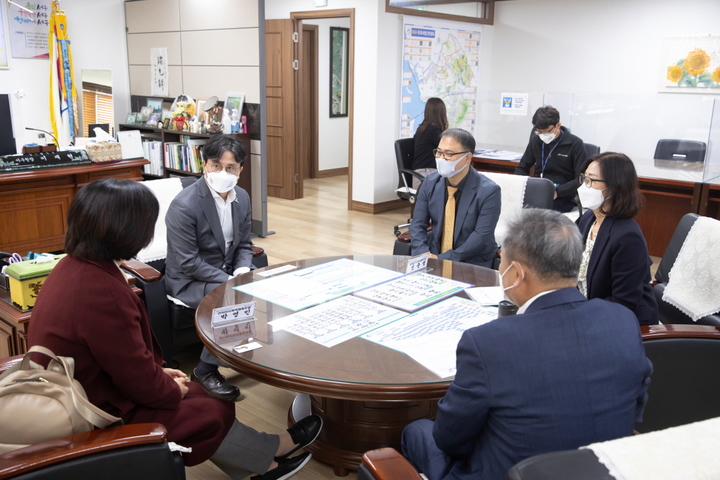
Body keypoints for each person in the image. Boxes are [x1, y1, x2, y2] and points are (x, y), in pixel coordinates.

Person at [27, 178, 321, 480]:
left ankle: (267, 451)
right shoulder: (100, 291)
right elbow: (134, 377)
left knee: (200, 397)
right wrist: (164, 385)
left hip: (80, 389)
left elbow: (118, 356)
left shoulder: (73, 266)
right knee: (208, 411)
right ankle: (268, 464)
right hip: (96, 409)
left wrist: (160, 374)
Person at [402, 208, 652, 480]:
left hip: (508, 472)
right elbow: (635, 408)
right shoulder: (623, 321)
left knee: (415, 431)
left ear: (517, 273)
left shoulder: (488, 342)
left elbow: (449, 438)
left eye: (502, 263)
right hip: (600, 469)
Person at [164, 134, 254, 402]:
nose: (222, 173)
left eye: (230, 168)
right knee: (232, 297)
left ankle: (245, 353)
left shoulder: (243, 198)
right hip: (188, 279)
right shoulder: (185, 205)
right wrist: (230, 281)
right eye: (216, 165)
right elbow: (187, 262)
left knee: (261, 289)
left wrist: (242, 271)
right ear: (204, 165)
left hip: (224, 273)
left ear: (240, 170)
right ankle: (205, 370)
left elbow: (245, 245)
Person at [576, 152, 659, 326]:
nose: (585, 186)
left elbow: (624, 301)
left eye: (591, 180)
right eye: (584, 179)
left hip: (624, 321)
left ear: (614, 187)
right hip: (590, 308)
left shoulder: (627, 237)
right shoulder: (588, 218)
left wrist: (579, 315)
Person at [410, 128, 501, 268]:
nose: (441, 159)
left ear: (467, 157)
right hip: (432, 257)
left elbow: (481, 237)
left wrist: (442, 259)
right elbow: (418, 224)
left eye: (449, 154)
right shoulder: (429, 182)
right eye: (439, 152)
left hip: (471, 261)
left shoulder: (489, 191)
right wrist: (423, 254)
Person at [514, 106, 587, 213]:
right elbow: (522, 168)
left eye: (546, 132)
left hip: (563, 195)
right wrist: (520, 187)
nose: (542, 135)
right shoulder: (536, 141)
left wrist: (558, 192)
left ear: (558, 125)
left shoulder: (575, 144)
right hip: (539, 190)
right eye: (539, 132)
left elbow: (581, 179)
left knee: (539, 212)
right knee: (515, 208)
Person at [411, 97, 449, 190]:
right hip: (426, 173)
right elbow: (448, 148)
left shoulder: (423, 128)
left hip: (423, 172)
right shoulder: (432, 131)